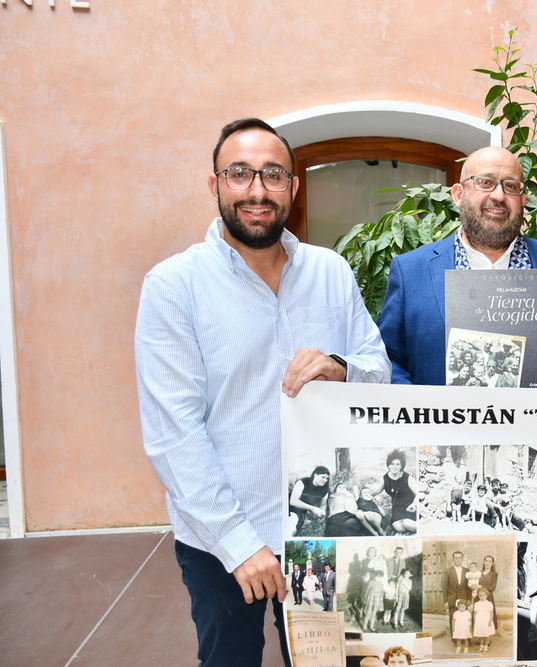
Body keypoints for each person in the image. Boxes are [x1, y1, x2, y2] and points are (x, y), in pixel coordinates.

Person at [135, 118, 390, 666]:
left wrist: (342, 368)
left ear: (293, 188)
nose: (257, 190)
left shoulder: (331, 272)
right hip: (224, 542)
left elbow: (378, 369)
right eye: (240, 174)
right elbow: (173, 434)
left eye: (272, 175)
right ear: (216, 186)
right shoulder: (174, 286)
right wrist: (238, 543)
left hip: (319, 537)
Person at [377, 146, 537, 386]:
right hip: (442, 422)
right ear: (458, 195)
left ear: (522, 199)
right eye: (485, 183)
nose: (498, 196)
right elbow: (386, 359)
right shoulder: (410, 270)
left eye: (510, 186)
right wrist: (420, 412)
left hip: (533, 422)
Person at [370, 449, 418, 534]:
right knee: (397, 527)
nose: (395, 466)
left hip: (410, 508)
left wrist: (414, 504)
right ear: (388, 465)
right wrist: (368, 494)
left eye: (397, 464)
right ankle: (412, 528)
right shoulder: (385, 478)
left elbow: (418, 494)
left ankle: (418, 528)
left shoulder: (408, 478)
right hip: (397, 510)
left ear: (401, 466)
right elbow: (377, 490)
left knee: (407, 523)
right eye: (392, 464)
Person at [289, 466, 330, 535]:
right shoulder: (303, 482)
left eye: (327, 478)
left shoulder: (325, 489)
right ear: (315, 475)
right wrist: (313, 508)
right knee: (289, 527)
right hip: (289, 508)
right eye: (323, 477)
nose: (325, 480)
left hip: (301, 513)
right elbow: (293, 501)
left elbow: (323, 504)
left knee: (294, 530)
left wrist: (322, 514)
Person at [445, 551, 472, 637]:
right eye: (456, 558)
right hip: (452, 598)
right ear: (453, 559)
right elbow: (444, 587)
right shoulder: (448, 571)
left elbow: (469, 587)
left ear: (462, 559)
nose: (458, 559)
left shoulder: (467, 571)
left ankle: (466, 637)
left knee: (465, 619)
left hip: (463, 600)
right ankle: (455, 638)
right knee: (454, 618)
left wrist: (469, 599)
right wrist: (446, 601)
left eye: (459, 558)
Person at [473, 587, 497, 653]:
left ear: (486, 595)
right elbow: (474, 613)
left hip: (487, 620)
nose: (482, 597)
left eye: (483, 595)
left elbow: (491, 613)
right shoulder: (476, 604)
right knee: (481, 634)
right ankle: (481, 646)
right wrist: (475, 622)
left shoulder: (489, 604)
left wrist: (490, 621)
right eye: (480, 595)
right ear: (478, 595)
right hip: (479, 620)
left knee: (488, 634)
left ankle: (486, 646)